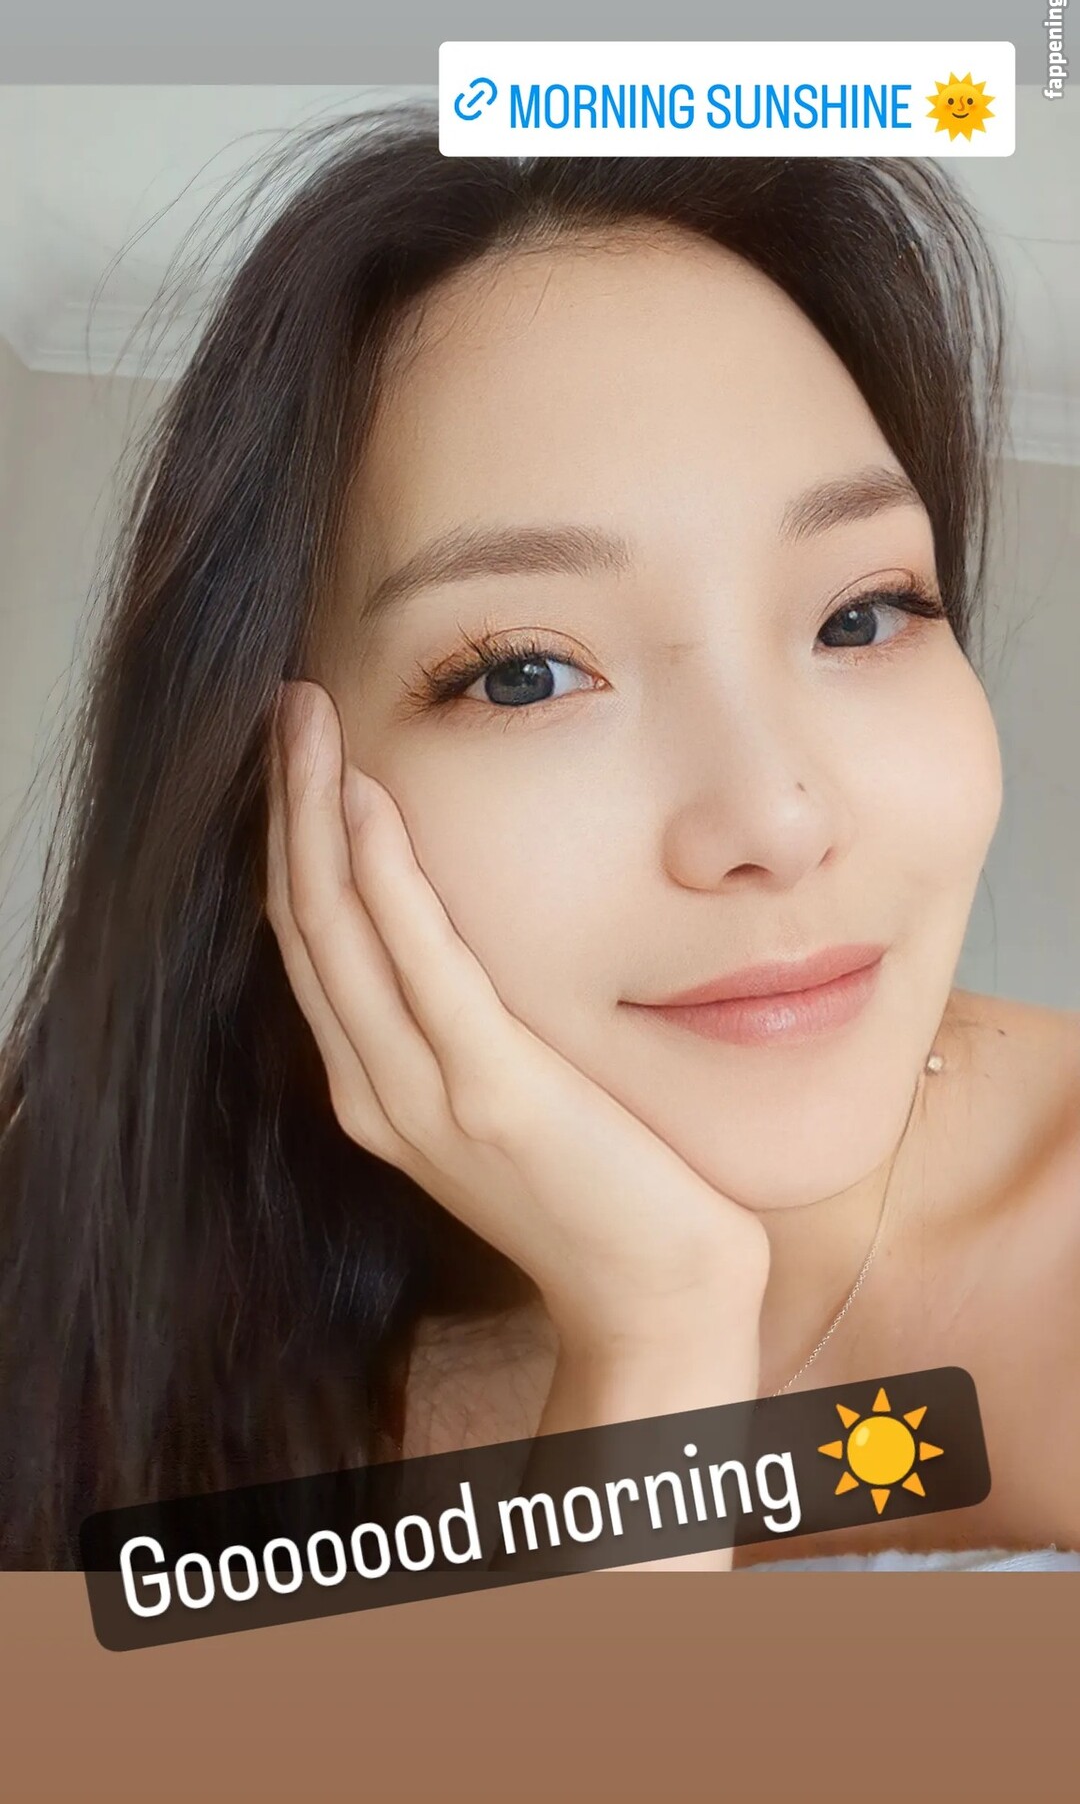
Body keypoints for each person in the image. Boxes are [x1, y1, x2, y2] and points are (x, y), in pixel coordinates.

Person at [1, 102, 1077, 1571]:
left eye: (861, 614)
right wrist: (659, 1331)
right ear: (267, 788)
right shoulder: (90, 1310)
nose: (776, 819)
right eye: (525, 674)